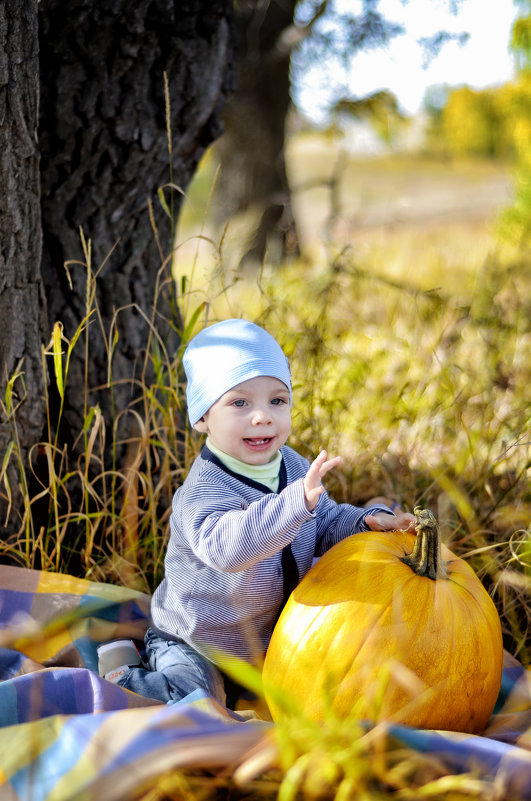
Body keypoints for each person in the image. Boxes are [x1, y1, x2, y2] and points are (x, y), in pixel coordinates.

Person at [109, 319, 416, 707]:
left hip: (269, 644)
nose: (262, 416)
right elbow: (229, 550)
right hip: (198, 641)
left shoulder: (293, 467)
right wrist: (295, 503)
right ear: (203, 417)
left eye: (277, 400)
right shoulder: (204, 489)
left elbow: (322, 523)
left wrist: (364, 520)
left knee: (338, 688)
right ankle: (122, 676)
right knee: (194, 699)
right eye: (240, 403)